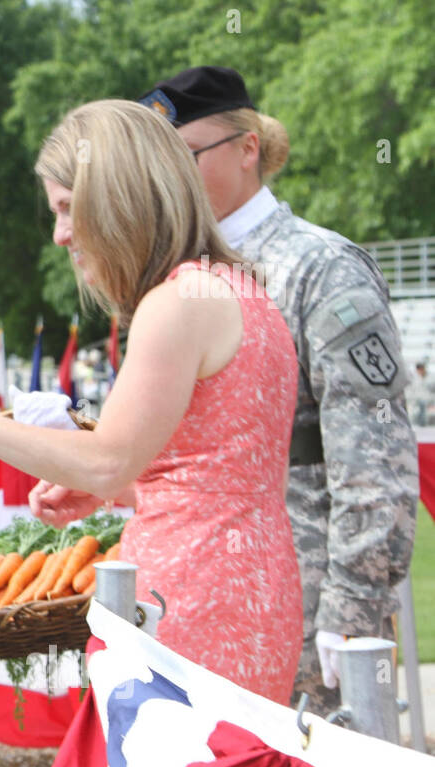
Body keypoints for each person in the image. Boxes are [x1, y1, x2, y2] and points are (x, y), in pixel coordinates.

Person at [0, 98, 304, 703]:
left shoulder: (175, 304)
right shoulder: (243, 290)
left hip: (190, 607)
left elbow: (109, 457)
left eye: (66, 209)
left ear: (117, 199)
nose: (60, 234)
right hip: (257, 592)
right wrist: (116, 491)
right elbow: (218, 475)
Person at [138, 66, 419, 716]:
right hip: (199, 603)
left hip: (305, 607)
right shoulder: (173, 279)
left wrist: (349, 614)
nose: (168, 179)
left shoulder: (320, 269)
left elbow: (374, 467)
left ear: (248, 148)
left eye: (186, 155)